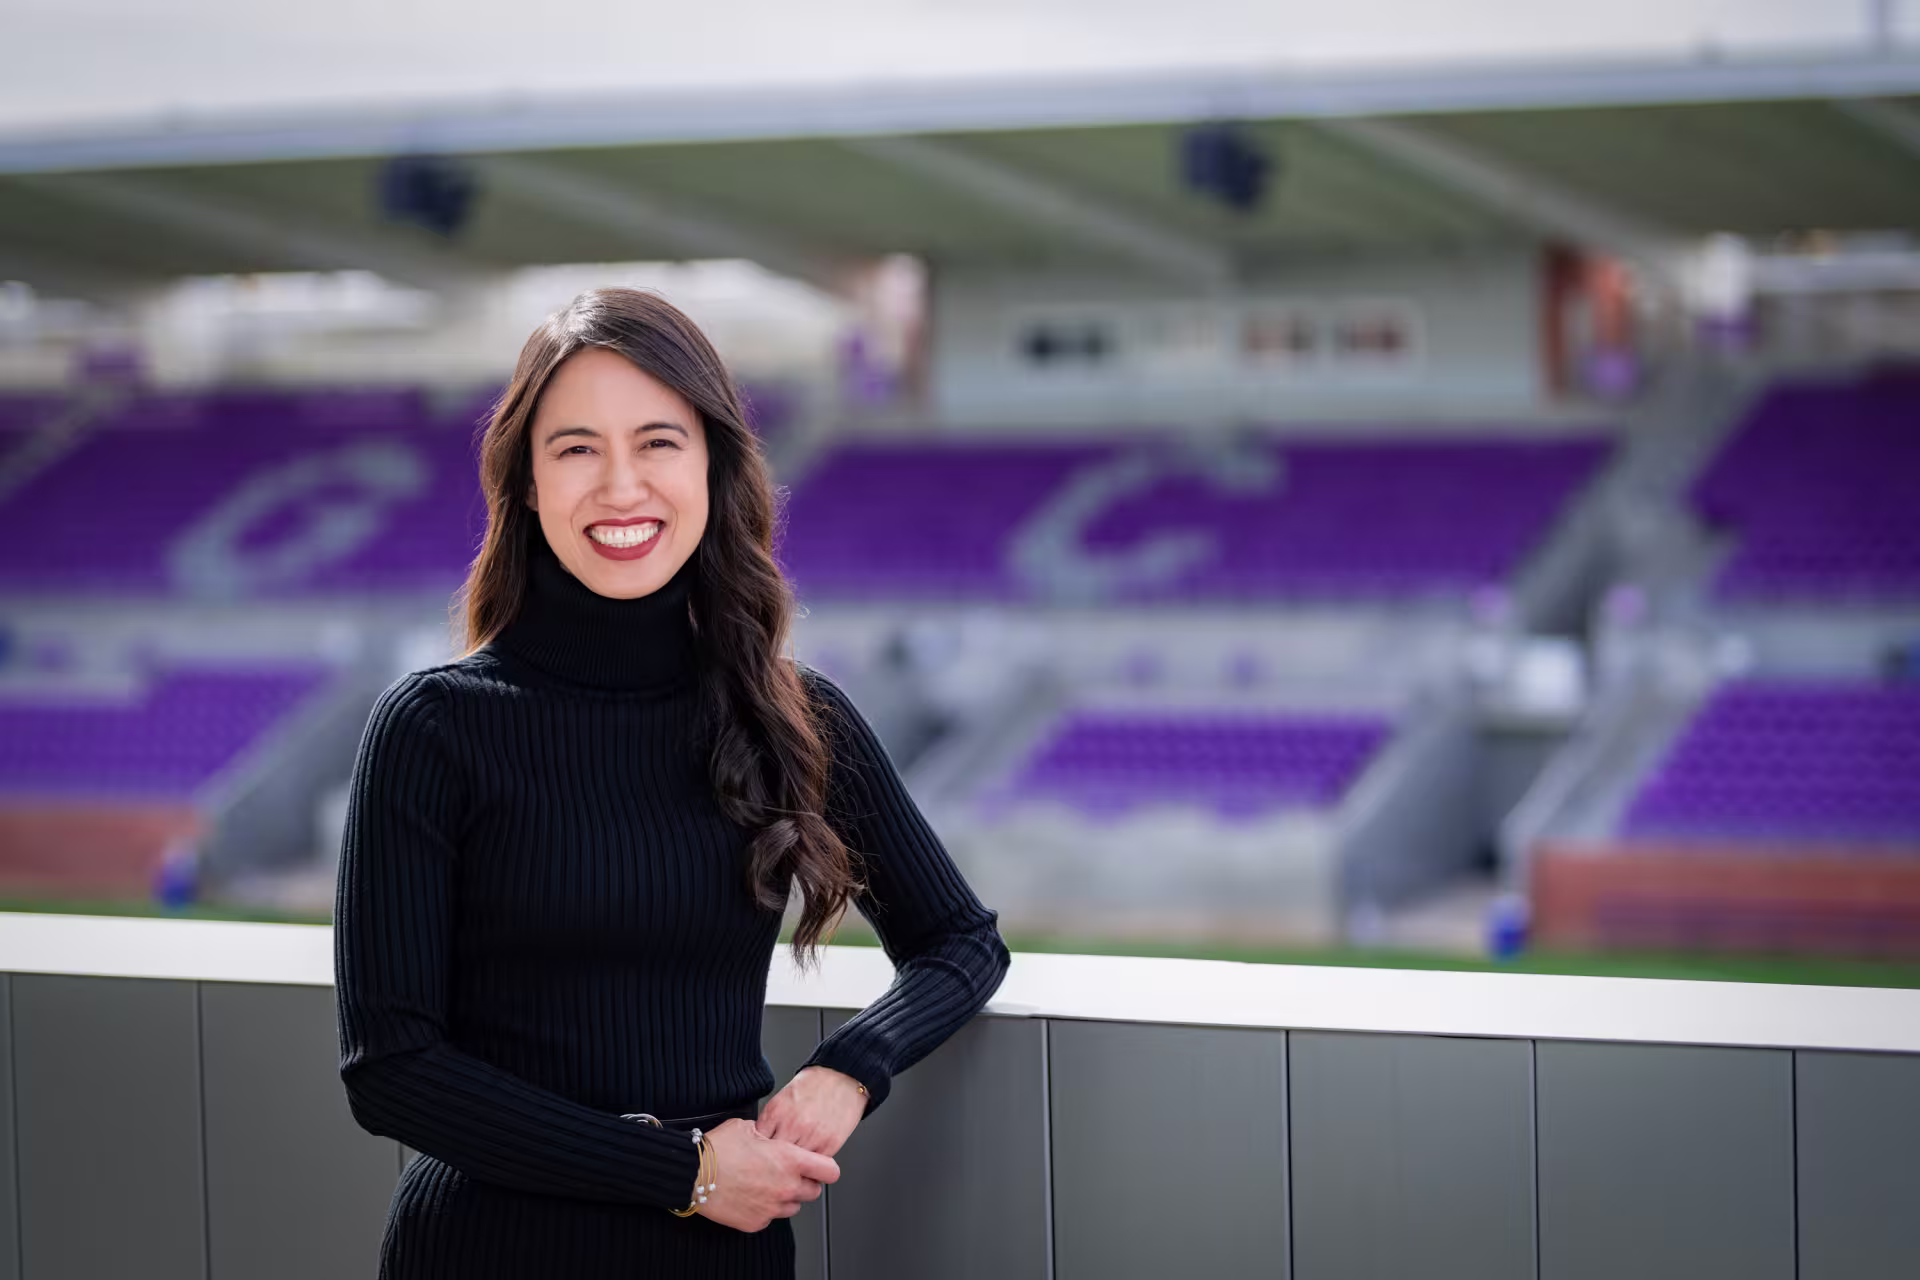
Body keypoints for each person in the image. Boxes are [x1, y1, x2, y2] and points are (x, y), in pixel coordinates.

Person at [334, 287, 1011, 1279]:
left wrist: (851, 1067)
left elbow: (959, 940)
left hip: (725, 1256)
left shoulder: (789, 712)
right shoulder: (434, 727)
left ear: (713, 465)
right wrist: (682, 1167)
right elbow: (391, 1071)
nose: (621, 485)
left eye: (658, 441)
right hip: (491, 1251)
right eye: (575, 448)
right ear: (524, 481)